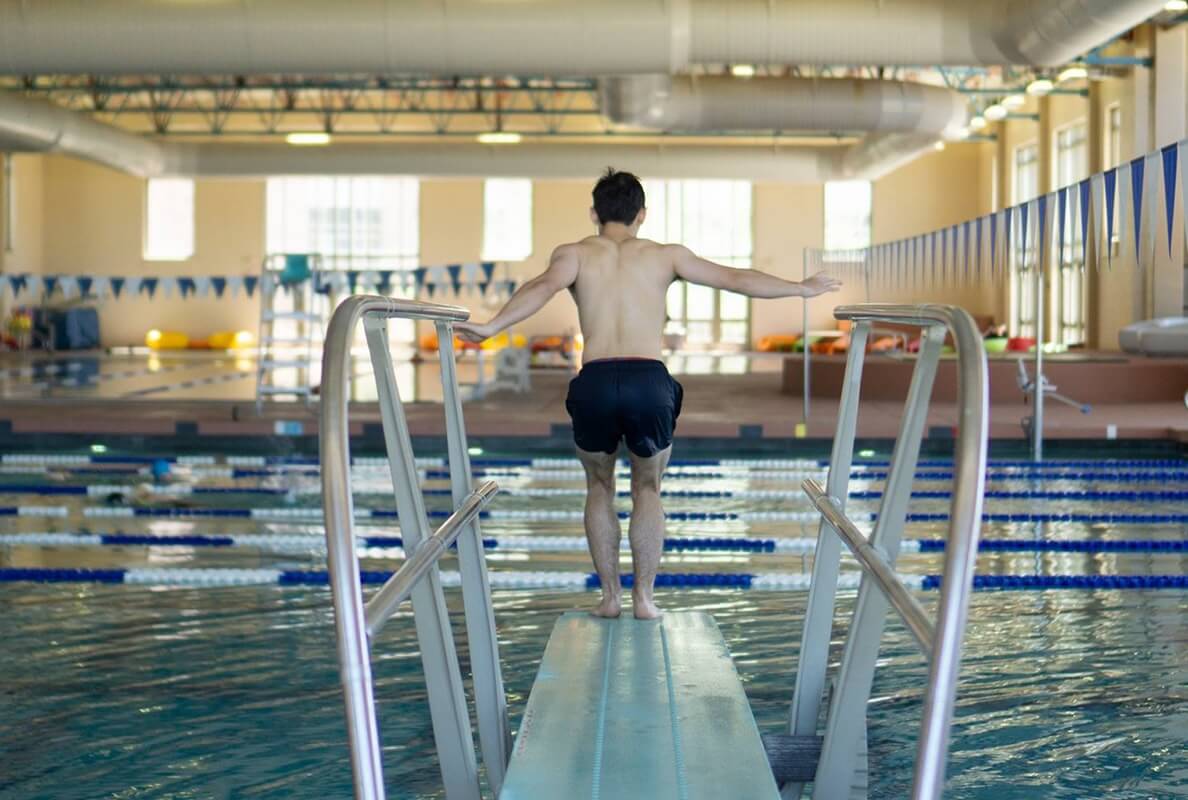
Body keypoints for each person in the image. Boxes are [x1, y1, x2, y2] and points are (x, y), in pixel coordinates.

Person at [456, 169, 841, 620]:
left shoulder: (574, 253)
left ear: (594, 213)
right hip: (648, 381)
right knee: (648, 486)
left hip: (596, 379)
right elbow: (734, 279)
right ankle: (643, 599)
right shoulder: (665, 255)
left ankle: (610, 599)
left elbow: (540, 288)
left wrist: (489, 327)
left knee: (598, 485)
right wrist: (801, 288)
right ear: (642, 214)